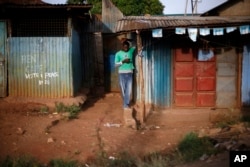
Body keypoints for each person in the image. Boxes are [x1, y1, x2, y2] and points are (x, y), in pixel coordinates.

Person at [115, 40, 136, 109]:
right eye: (124, 47)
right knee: (123, 90)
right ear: (122, 47)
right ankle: (125, 103)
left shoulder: (131, 51)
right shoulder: (118, 54)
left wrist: (129, 40)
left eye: (127, 47)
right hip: (122, 74)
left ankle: (125, 105)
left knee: (129, 89)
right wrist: (123, 61)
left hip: (129, 73)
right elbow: (115, 64)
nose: (126, 48)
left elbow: (135, 44)